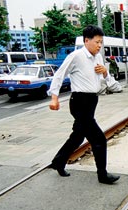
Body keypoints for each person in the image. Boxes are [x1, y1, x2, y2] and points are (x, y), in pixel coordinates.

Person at [48, 25, 120, 185]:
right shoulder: (76, 56)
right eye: (97, 42)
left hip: (92, 101)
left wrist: (105, 73)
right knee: (99, 139)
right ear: (86, 41)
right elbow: (59, 75)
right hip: (79, 102)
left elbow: (106, 81)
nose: (99, 46)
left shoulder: (98, 58)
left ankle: (58, 161)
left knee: (78, 136)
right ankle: (103, 175)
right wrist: (54, 97)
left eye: (101, 42)